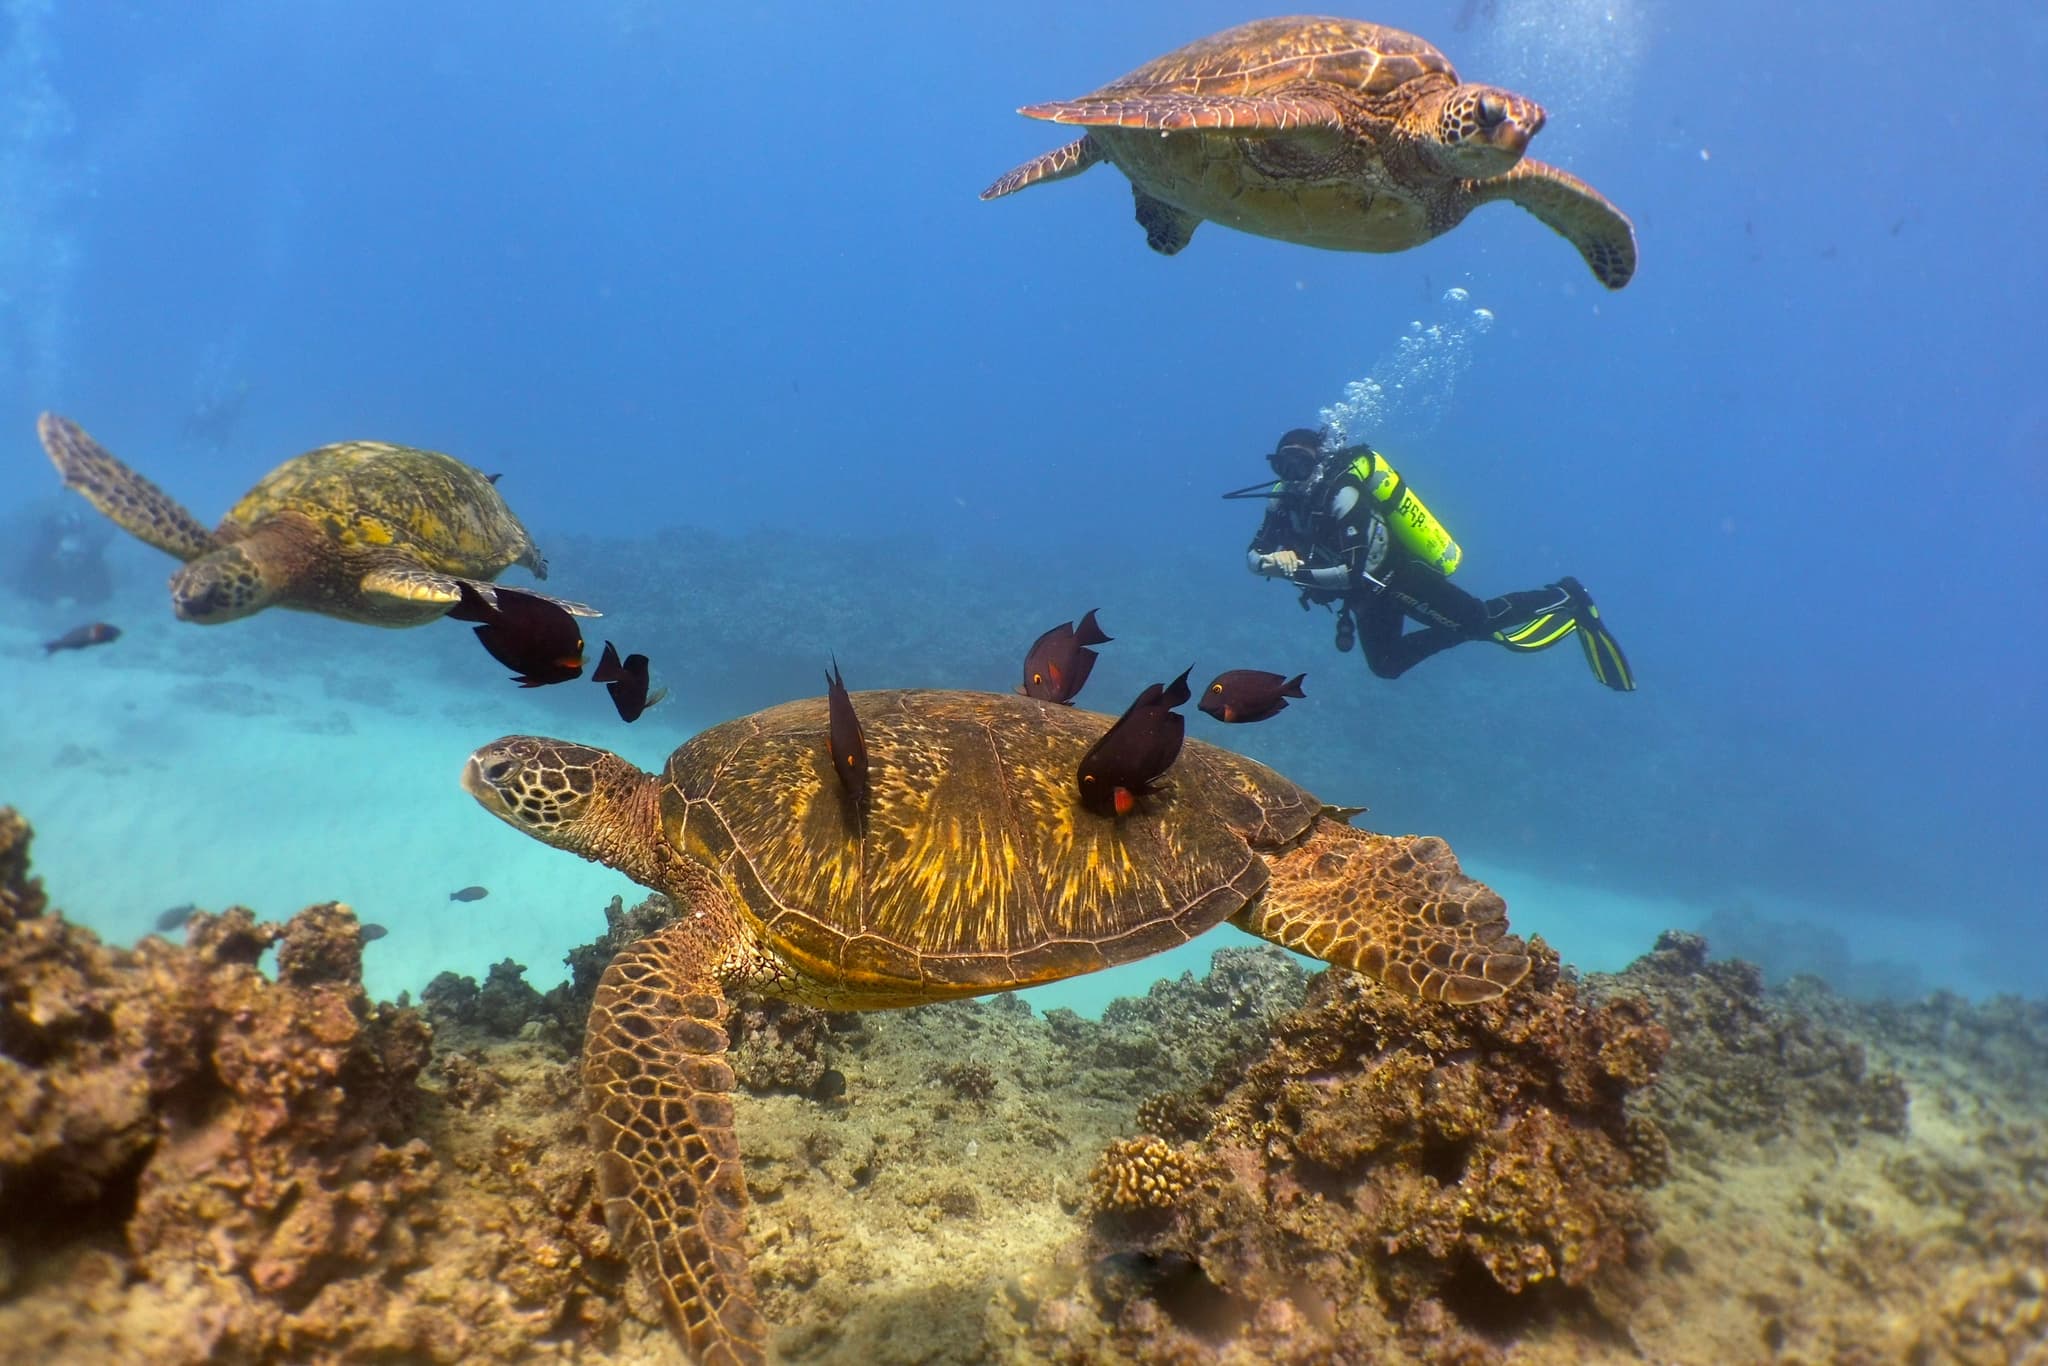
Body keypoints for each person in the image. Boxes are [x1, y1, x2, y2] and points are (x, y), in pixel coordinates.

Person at [1236, 427, 1634, 690]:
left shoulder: (1342, 496)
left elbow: (1353, 573)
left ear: (1317, 463)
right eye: (1282, 465)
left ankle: (1566, 596)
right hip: (1370, 595)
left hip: (1399, 577)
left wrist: (1298, 570)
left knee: (1479, 618)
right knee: (1387, 665)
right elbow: (1252, 557)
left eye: (1299, 464)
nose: (1291, 474)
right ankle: (1465, 628)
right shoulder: (1281, 500)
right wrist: (1271, 562)